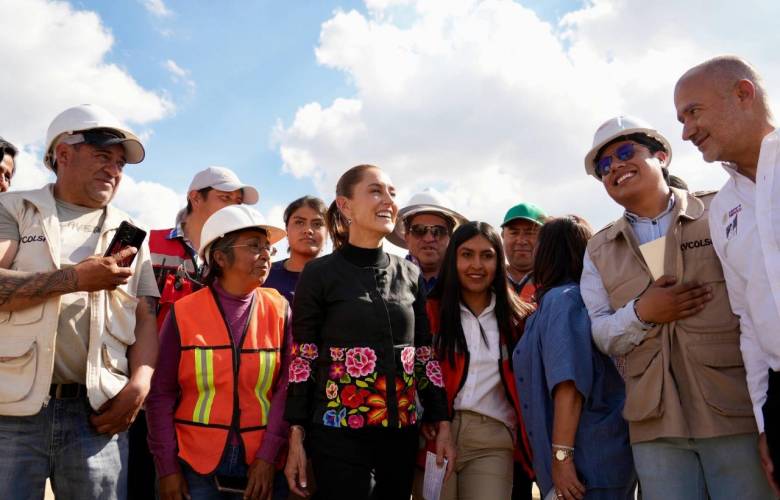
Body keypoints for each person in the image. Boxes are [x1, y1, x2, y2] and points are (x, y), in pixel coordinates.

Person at [579, 115, 772, 499]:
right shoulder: (598, 249)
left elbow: (759, 304)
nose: (615, 166)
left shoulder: (722, 211)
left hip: (733, 413)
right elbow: (600, 332)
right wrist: (642, 313)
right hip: (655, 426)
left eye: (625, 152)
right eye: (604, 165)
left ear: (662, 156)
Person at [0, 103, 159, 500]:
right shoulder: (14, 208)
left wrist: (140, 384)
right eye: (103, 156)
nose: (114, 170)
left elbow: (145, 317)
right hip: (11, 410)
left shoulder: (132, 232)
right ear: (63, 153)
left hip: (98, 416)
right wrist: (74, 279)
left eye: (120, 163)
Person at [284, 164, 455, 499]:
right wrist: (296, 432)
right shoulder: (319, 274)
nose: (388, 200)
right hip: (337, 433)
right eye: (376, 191)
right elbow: (304, 358)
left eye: (392, 192)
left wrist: (442, 419)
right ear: (345, 205)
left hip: (401, 434)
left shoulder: (410, 274)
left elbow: (424, 354)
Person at [674, 55, 780, 494]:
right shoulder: (721, 211)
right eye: (681, 119)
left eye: (693, 112)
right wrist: (765, 420)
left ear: (743, 93)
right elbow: (749, 322)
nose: (686, 132)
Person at [129, 166, 259, 500]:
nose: (233, 206)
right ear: (194, 198)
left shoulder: (244, 259)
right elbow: (125, 314)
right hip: (147, 398)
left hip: (205, 405)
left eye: (238, 201)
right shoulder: (149, 242)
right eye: (224, 198)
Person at [145, 204, 291, 500]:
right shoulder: (184, 312)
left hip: (262, 464)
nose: (266, 254)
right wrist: (167, 469)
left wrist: (268, 455)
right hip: (194, 465)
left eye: (268, 247)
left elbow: (287, 388)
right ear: (220, 258)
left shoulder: (280, 310)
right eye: (254, 246)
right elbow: (160, 394)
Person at [514, 216, 636, 500]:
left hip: (586, 466)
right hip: (593, 460)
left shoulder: (564, 300)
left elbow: (568, 386)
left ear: (548, 252)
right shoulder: (563, 300)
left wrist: (562, 459)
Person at [422, 221, 534, 500]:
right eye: (467, 254)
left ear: (499, 261)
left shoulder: (519, 320)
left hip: (492, 438)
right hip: (434, 434)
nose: (477, 265)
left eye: (487, 256)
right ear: (453, 259)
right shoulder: (429, 311)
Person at [388, 188, 468, 294]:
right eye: (419, 230)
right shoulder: (386, 281)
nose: (428, 239)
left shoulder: (467, 283)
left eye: (438, 231)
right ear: (406, 236)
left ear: (450, 238)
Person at [262, 195, 328, 303]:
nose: (308, 230)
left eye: (317, 224)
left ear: (328, 232)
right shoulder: (264, 274)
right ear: (286, 229)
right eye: (299, 222)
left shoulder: (342, 278)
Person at [500, 202, 547, 303]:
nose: (521, 241)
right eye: (514, 232)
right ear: (503, 236)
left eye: (530, 233)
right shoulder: (488, 279)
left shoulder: (556, 282)